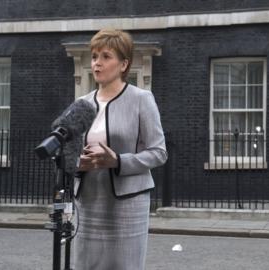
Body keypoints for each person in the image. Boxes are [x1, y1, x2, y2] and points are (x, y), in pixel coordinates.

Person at [72, 29, 167, 270]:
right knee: (86, 265)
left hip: (127, 204)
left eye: (106, 57)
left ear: (124, 64)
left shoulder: (141, 99)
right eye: (94, 57)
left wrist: (118, 161)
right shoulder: (82, 104)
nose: (97, 63)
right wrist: (76, 163)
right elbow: (68, 150)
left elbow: (159, 152)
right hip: (88, 200)